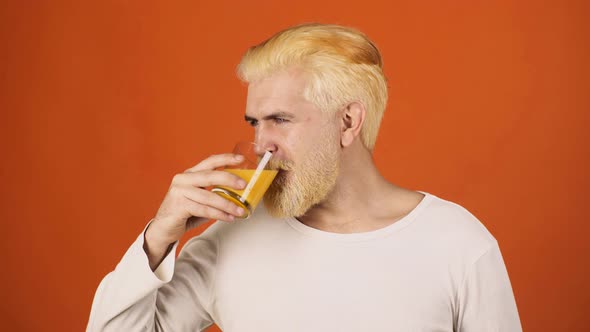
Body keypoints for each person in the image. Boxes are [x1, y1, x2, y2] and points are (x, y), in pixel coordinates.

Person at [87, 23, 522, 331]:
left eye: (280, 119)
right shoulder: (231, 239)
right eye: (255, 122)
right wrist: (157, 238)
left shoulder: (459, 243)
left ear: (348, 122)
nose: (262, 145)